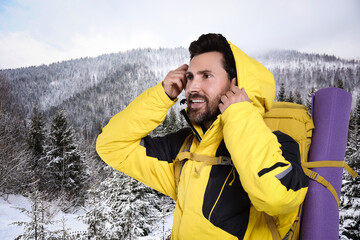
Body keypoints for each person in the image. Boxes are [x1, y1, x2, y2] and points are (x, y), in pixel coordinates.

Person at [96, 33, 309, 240]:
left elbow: (277, 198)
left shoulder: (278, 143)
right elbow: (111, 146)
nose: (192, 88)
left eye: (206, 76)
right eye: (190, 77)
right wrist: (161, 95)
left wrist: (240, 113)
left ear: (235, 84)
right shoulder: (184, 146)